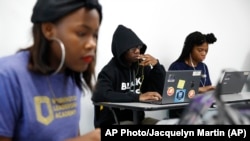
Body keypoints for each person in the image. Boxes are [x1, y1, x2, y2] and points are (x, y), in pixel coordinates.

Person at [0, 0, 102, 141]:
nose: (92, 44)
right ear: (48, 30)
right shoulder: (7, 75)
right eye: (81, 33)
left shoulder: (71, 71)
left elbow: (71, 135)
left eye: (95, 35)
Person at [92, 24, 166, 127]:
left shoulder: (142, 66)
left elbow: (158, 91)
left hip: (138, 120)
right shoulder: (109, 70)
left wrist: (157, 66)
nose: (137, 51)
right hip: (114, 122)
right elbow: (99, 95)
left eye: (138, 47)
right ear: (122, 51)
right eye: (132, 48)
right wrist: (137, 97)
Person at [168, 31, 217, 118]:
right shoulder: (177, 67)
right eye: (200, 50)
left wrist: (213, 90)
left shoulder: (204, 67)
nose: (204, 53)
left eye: (206, 50)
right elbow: (171, 93)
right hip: (182, 114)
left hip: (202, 112)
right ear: (190, 49)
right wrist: (199, 90)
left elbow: (207, 90)